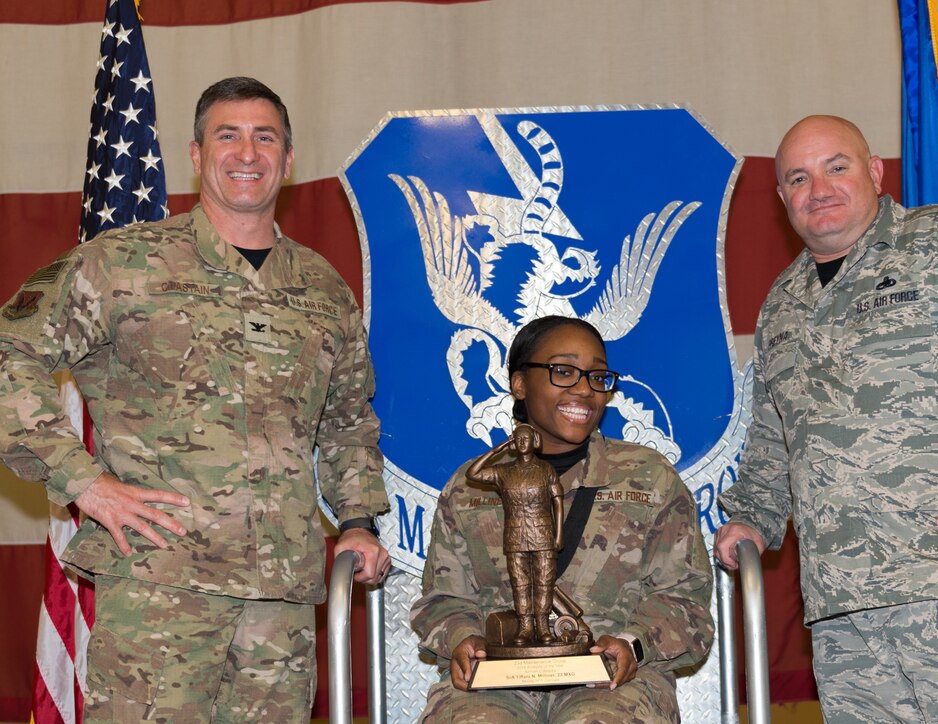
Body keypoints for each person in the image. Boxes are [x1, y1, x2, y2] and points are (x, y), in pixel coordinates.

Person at [0, 77, 390, 722]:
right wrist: (83, 482)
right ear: (195, 154)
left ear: (288, 160)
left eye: (265, 137)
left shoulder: (321, 287)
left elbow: (347, 421)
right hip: (162, 584)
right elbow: (10, 354)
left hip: (281, 598)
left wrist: (355, 520)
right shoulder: (123, 264)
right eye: (227, 135)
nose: (247, 152)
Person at [714, 114, 938, 721]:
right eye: (799, 178)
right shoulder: (784, 301)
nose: (820, 189)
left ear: (876, 172)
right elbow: (776, 432)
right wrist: (753, 516)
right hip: (846, 621)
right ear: (782, 198)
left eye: (838, 166)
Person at [411, 315, 713, 723]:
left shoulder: (648, 477)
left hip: (614, 683)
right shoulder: (470, 488)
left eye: (597, 376)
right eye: (563, 371)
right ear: (519, 384)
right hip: (494, 680)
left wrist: (632, 644)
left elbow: (684, 599)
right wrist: (463, 640)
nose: (585, 390)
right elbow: (443, 600)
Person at [467, 423, 564, 645]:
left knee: (544, 583)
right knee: (519, 584)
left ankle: (542, 626)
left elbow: (557, 501)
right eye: (517, 438)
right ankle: (525, 627)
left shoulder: (545, 469)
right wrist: (497, 450)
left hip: (543, 535)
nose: (522, 442)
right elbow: (472, 473)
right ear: (513, 442)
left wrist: (559, 535)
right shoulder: (504, 472)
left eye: (526, 438)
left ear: (534, 442)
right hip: (515, 537)